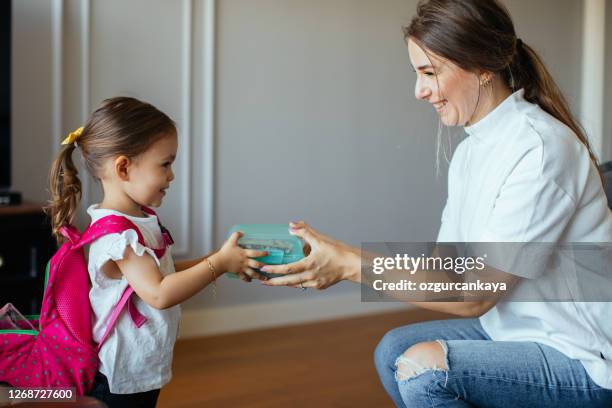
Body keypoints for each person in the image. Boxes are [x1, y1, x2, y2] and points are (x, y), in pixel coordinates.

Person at [261, 0, 612, 406]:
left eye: (430, 72)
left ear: (482, 67)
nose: (419, 91)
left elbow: (474, 295)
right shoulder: (470, 152)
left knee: (424, 370)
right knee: (394, 350)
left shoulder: (540, 150)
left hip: (586, 358)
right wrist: (339, 257)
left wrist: (350, 264)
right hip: (514, 332)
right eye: (417, 73)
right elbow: (447, 270)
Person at [45, 97, 267, 407]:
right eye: (165, 164)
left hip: (139, 366)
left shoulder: (134, 222)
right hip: (121, 376)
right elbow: (160, 292)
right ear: (124, 167)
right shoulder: (119, 237)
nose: (172, 175)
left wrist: (224, 261)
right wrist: (217, 263)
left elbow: (165, 273)